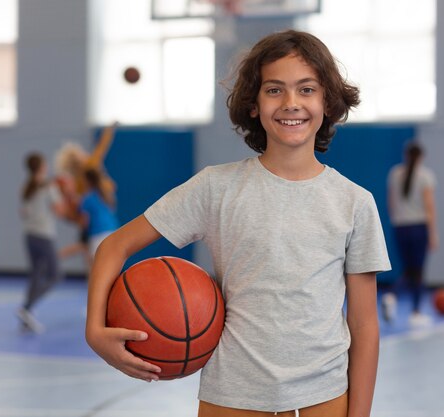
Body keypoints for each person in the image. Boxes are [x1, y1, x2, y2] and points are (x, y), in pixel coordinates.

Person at [85, 30, 391, 417]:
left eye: (307, 89)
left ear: (328, 101)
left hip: (325, 395)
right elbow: (114, 246)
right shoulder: (216, 187)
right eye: (274, 90)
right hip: (232, 394)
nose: (291, 103)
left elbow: (363, 325)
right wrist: (95, 329)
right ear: (253, 104)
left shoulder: (355, 203)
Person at [383, 141, 438, 327]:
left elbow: (390, 203)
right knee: (418, 272)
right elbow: (429, 207)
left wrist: (397, 220)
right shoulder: (426, 176)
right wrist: (432, 234)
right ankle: (415, 311)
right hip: (418, 227)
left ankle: (392, 295)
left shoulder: (394, 173)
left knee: (408, 269)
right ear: (421, 157)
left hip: (400, 227)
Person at [54, 122, 118, 266]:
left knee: (90, 254)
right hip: (100, 215)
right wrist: (109, 131)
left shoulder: (84, 182)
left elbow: (77, 211)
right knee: (91, 252)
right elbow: (101, 148)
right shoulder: (88, 172)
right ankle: (60, 254)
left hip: (97, 218)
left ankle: (59, 254)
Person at [18, 152, 68, 333]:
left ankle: (27, 315)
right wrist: (65, 194)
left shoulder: (26, 188)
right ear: (41, 166)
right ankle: (27, 307)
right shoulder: (49, 186)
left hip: (29, 236)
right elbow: (60, 211)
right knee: (55, 275)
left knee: (36, 274)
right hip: (44, 236)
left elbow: (23, 213)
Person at [78, 168, 119, 261]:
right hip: (113, 233)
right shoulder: (107, 195)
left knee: (95, 268)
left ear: (87, 181)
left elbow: (84, 221)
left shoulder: (87, 198)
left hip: (97, 237)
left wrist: (82, 237)